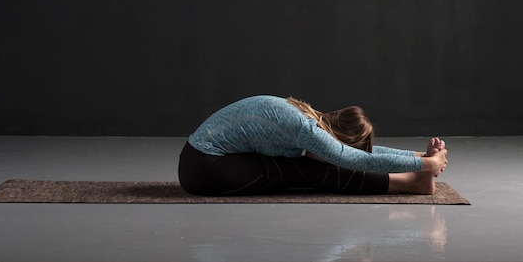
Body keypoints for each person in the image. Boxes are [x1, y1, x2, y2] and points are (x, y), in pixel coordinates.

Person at [178, 95, 448, 196]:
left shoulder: (305, 115)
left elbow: (358, 154)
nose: (334, 153)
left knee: (309, 165)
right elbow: (358, 160)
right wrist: (427, 164)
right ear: (337, 136)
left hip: (198, 160)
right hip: (205, 169)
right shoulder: (307, 131)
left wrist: (416, 154)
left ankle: (413, 180)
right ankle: (412, 183)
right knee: (308, 170)